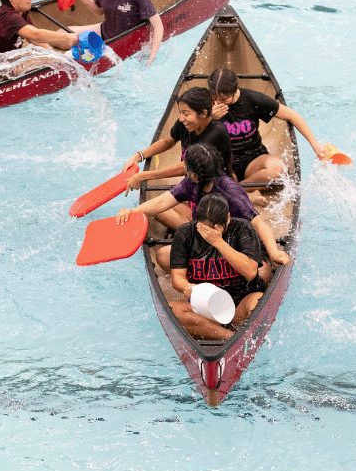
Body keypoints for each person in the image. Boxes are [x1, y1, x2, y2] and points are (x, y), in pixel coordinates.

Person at [116, 143, 289, 267]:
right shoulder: (192, 182)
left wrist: (273, 252)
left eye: (185, 166)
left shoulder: (231, 193)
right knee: (162, 256)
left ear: (194, 173)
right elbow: (164, 201)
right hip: (203, 237)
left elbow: (258, 223)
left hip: (230, 245)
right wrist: (133, 211)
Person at [168, 194, 269, 342]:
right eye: (206, 227)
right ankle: (230, 338)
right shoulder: (185, 233)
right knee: (172, 311)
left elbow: (251, 272)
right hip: (207, 307)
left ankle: (245, 335)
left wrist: (218, 242)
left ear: (228, 218)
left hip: (241, 300)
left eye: (217, 227)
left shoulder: (243, 228)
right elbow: (177, 278)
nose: (211, 231)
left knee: (258, 304)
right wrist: (190, 288)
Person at [207, 68, 330, 183]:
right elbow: (193, 133)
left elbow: (292, 115)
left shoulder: (252, 99)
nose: (218, 102)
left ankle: (241, 188)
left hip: (253, 160)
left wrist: (315, 144)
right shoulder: (204, 102)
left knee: (279, 169)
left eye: (223, 99)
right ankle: (238, 188)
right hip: (223, 161)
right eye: (215, 98)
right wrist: (211, 118)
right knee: (214, 178)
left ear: (234, 92)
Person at [123, 87, 234, 193]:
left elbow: (186, 166)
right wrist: (139, 156)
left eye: (186, 114)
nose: (181, 118)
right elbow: (167, 142)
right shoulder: (185, 123)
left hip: (214, 188)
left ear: (203, 113)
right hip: (194, 182)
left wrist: (144, 176)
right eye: (180, 113)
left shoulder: (217, 132)